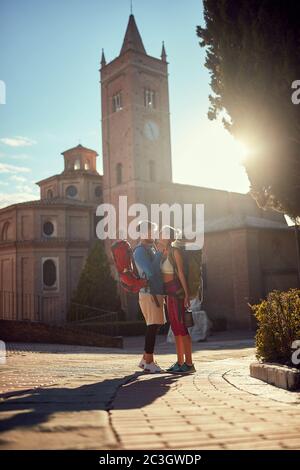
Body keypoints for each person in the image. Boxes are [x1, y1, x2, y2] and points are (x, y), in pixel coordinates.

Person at [158, 225, 195, 374]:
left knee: (181, 326)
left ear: (168, 236)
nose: (159, 235)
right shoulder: (164, 252)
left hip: (177, 292)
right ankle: (180, 362)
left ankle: (189, 363)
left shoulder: (175, 251)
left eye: (161, 233)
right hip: (169, 293)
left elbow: (180, 273)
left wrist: (187, 294)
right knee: (175, 328)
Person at [133, 220, 166, 373]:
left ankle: (145, 359)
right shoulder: (139, 251)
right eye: (152, 230)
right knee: (153, 326)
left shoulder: (149, 248)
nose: (154, 233)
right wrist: (159, 252)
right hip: (149, 293)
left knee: (156, 324)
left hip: (155, 292)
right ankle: (150, 362)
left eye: (155, 230)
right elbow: (151, 271)